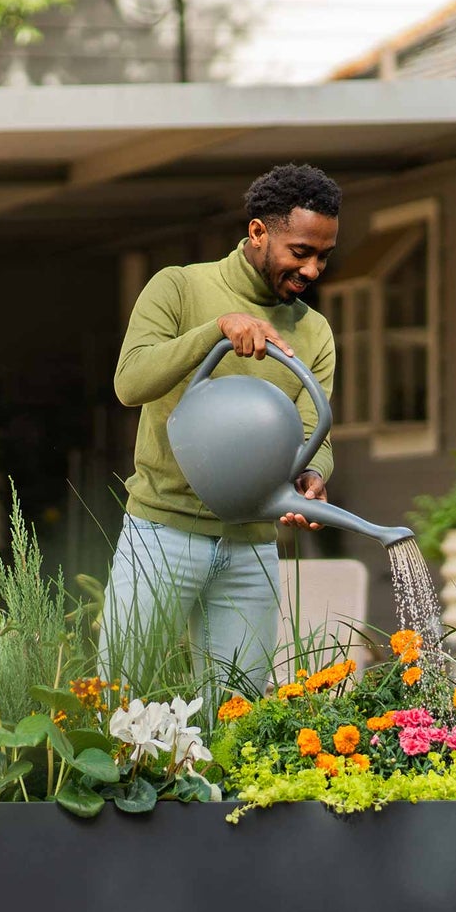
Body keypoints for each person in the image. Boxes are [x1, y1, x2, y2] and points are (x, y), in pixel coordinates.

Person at [102, 163, 340, 698]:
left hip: (252, 544)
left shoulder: (314, 330)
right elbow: (130, 382)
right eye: (300, 251)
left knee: (237, 713)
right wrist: (216, 330)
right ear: (258, 232)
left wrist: (312, 474)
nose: (312, 270)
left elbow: (315, 429)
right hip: (163, 533)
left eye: (323, 256)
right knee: (118, 701)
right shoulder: (180, 287)